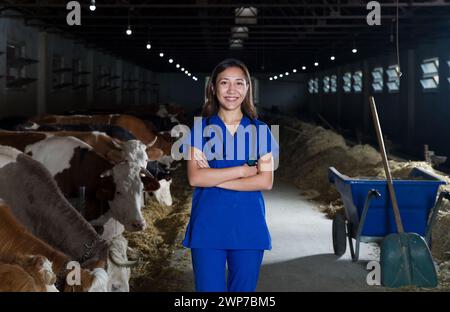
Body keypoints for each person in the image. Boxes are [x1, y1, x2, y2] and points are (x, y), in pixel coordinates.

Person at [182, 58, 279, 292]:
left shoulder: (261, 130)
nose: (232, 90)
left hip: (248, 226)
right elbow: (195, 179)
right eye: (224, 83)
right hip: (207, 226)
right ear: (213, 89)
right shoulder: (199, 129)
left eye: (239, 83)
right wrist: (242, 172)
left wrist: (213, 176)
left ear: (247, 89)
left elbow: (265, 181)